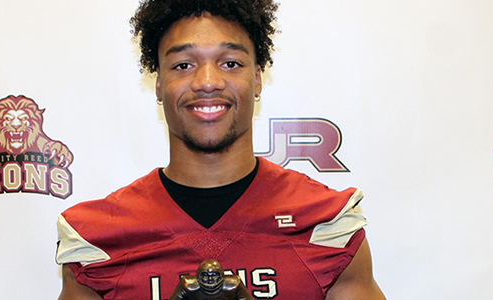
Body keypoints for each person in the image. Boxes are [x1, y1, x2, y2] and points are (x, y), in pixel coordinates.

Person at [56, 0, 386, 299]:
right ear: (158, 85)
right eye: (183, 65)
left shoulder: (325, 225)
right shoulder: (97, 240)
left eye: (230, 63)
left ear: (257, 80)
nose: (207, 81)